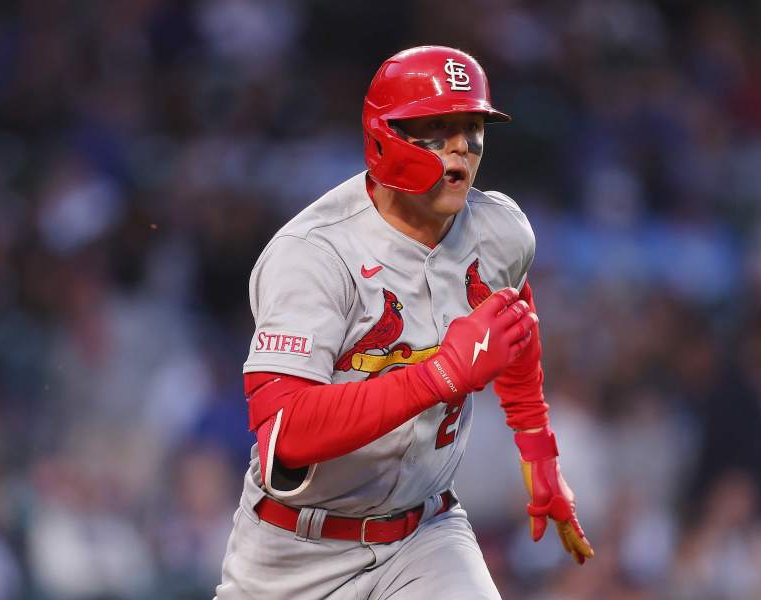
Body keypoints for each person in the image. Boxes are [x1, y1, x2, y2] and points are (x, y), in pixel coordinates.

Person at [215, 45, 593, 600]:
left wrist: (537, 448)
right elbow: (285, 433)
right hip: (295, 549)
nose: (462, 144)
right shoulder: (314, 255)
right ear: (382, 138)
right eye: (438, 128)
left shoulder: (500, 232)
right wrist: (440, 375)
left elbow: (515, 323)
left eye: (472, 127)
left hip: (426, 536)